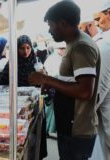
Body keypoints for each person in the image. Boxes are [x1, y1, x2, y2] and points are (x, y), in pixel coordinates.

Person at [29, 1, 100, 160]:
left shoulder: (81, 46)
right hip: (71, 126)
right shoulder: (74, 44)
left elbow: (85, 91)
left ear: (62, 23)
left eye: (51, 25)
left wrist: (46, 79)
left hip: (77, 129)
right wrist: (52, 82)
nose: (49, 30)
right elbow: (74, 81)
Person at [89, 2, 110, 159]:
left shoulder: (104, 43)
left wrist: (88, 111)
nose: (96, 23)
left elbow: (100, 86)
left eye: (98, 18)